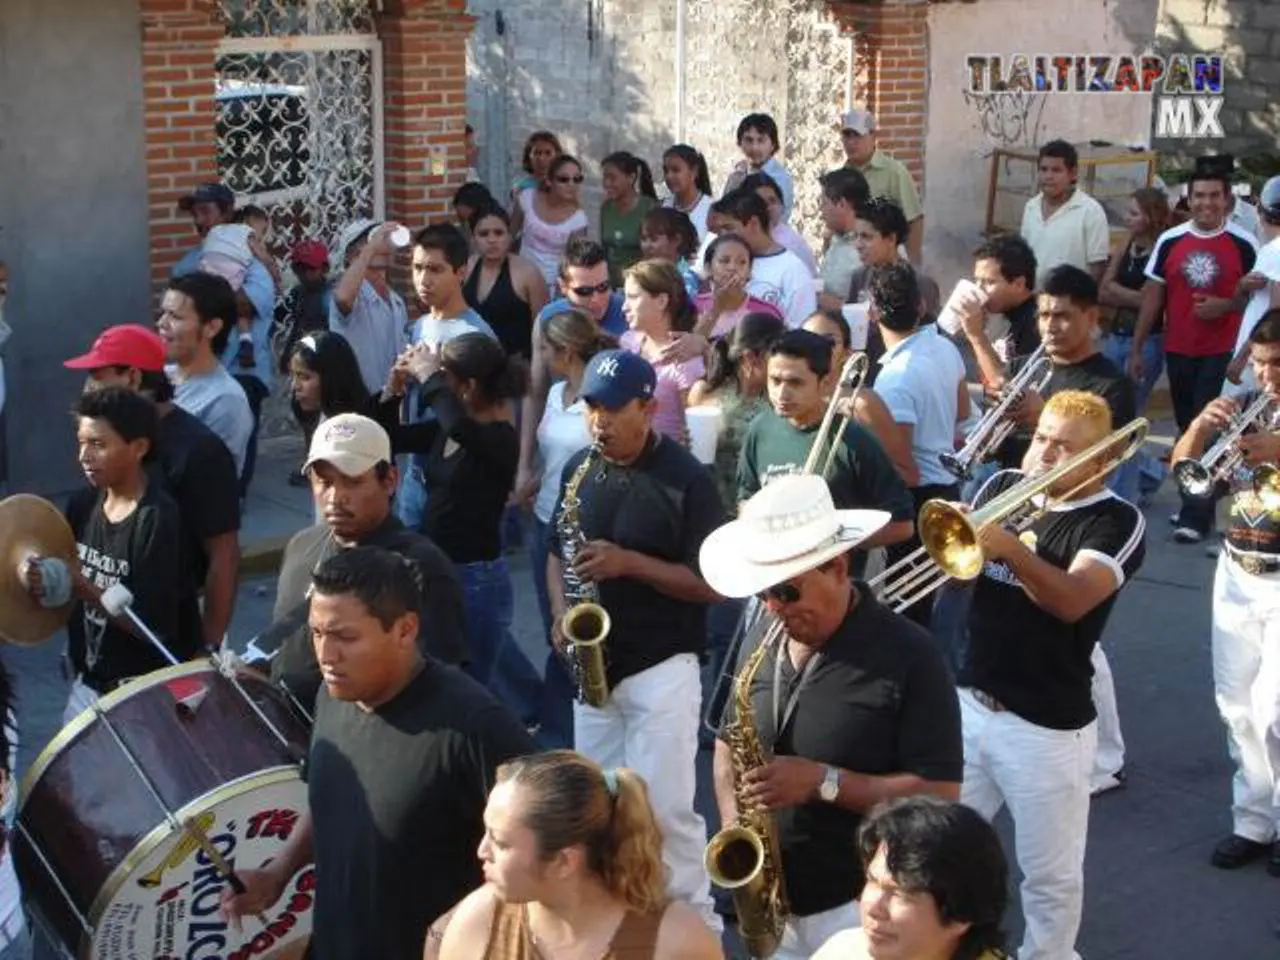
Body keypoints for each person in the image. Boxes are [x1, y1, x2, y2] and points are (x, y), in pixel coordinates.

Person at [221, 546, 536, 960]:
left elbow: (545, 856)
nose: (326, 655)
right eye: (317, 633)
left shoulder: (477, 729)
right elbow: (333, 800)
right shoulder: (332, 695)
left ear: (405, 630)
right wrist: (278, 874)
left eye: (345, 637)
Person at [701, 472, 963, 958]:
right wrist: (737, 832)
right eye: (763, 593)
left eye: (787, 591)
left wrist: (824, 783)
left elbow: (941, 793)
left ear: (838, 568)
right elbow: (726, 740)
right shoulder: (763, 633)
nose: (773, 607)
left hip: (857, 904)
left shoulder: (911, 655)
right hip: (773, 899)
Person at [954, 390, 1145, 960]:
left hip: (1045, 728)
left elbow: (1073, 600)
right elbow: (959, 581)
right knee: (940, 847)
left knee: (1048, 878)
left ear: (1100, 460)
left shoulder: (1116, 520)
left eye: (1063, 447)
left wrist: (1011, 550)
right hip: (970, 704)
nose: (1043, 454)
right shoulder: (1002, 486)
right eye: (1041, 438)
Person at [545, 349, 726, 930]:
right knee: (595, 810)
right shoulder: (578, 470)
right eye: (592, 408)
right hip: (594, 670)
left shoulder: (687, 479)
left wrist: (630, 564)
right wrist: (560, 612)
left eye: (612, 409)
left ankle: (697, 928)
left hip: (661, 666)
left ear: (647, 409)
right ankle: (614, 924)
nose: (598, 421)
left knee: (664, 811)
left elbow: (711, 585)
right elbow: (556, 553)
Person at [262, 414, 468, 716]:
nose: (335, 497)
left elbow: (439, 686)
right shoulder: (301, 545)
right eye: (324, 482)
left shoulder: (420, 568)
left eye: (353, 481)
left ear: (390, 480)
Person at [1170, 310, 1280, 873]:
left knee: (1276, 708)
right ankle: (1253, 821)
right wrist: (1200, 428)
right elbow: (1189, 478)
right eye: (1260, 364)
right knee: (1235, 704)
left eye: (1277, 364)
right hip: (1238, 570)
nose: (1266, 376)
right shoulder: (1248, 409)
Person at [387, 333, 543, 725]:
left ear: (468, 387)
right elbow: (391, 437)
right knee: (457, 682)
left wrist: (428, 376)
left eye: (446, 379)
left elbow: (459, 427)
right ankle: (532, 717)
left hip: (475, 582)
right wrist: (393, 392)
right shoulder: (448, 430)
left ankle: (525, 729)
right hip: (438, 574)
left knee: (469, 693)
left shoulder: (498, 438)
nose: (439, 387)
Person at [434, 751, 724, 960]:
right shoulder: (479, 922)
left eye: (500, 843)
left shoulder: (676, 941)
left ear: (563, 862)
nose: (482, 850)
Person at [22, 388, 199, 721]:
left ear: (139, 448)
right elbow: (66, 588)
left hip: (143, 695)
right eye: (81, 443)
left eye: (98, 444)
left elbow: (153, 626)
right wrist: (43, 577)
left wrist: (86, 588)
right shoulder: (82, 504)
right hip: (87, 687)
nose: (84, 456)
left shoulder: (157, 519)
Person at [65, 324, 240, 649]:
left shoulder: (200, 452)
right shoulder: (100, 442)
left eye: (97, 377)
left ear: (132, 377)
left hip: (170, 638)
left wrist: (210, 646)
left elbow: (223, 554)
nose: (88, 388)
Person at [1130, 158, 1258, 544]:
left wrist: (1226, 306)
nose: (1206, 203)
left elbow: (1259, 302)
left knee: (1208, 428)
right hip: (1178, 349)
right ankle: (1195, 499)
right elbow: (1153, 297)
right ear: (1189, 198)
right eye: (1199, 196)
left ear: (1227, 200)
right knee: (1187, 427)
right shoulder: (1170, 241)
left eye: (1214, 196)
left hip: (1223, 353)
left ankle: (1195, 514)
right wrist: (1137, 347)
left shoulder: (1245, 243)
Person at [737, 330, 915, 568]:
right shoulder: (760, 429)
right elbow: (747, 498)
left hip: (834, 581)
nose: (782, 393)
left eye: (795, 383)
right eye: (775, 381)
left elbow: (902, 526)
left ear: (825, 382)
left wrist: (831, 544)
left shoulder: (853, 440)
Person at [521, 310, 615, 748]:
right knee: (554, 627)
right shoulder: (557, 393)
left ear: (568, 351)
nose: (540, 356)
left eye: (545, 348)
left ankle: (576, 727)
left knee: (578, 633)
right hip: (544, 520)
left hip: (582, 529)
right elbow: (555, 455)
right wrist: (535, 480)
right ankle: (563, 726)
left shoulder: (597, 402)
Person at [866, 263, 969, 626]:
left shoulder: (894, 379)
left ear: (872, 312)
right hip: (948, 489)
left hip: (917, 503)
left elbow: (902, 465)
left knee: (906, 612)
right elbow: (962, 412)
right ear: (921, 306)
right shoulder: (945, 348)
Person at [812, 797, 1009, 960]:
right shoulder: (842, 951)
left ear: (960, 916)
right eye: (872, 881)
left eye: (900, 894)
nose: (873, 907)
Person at [172, 183, 276, 492]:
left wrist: (202, 296)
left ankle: (234, 501)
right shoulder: (186, 264)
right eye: (194, 214)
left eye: (205, 211)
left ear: (228, 212)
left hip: (244, 370)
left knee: (238, 449)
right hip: (200, 370)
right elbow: (177, 310)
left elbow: (250, 303)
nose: (198, 220)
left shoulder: (253, 262)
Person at [520, 239, 630, 500]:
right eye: (584, 291)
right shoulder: (548, 319)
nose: (597, 299)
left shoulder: (630, 312)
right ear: (562, 287)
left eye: (603, 287)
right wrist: (524, 465)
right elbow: (535, 392)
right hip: (557, 450)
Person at [1099, 187, 1175, 501]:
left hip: (1144, 342)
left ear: (1151, 216)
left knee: (1127, 420)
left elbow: (1151, 301)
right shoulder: (1127, 244)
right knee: (1108, 415)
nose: (1128, 219)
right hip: (1115, 334)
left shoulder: (1162, 249)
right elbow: (1104, 288)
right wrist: (1133, 298)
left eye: (1134, 213)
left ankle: (1119, 495)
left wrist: (1125, 296)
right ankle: (1151, 472)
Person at [159, 271, 255, 482]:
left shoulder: (225, 400)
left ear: (211, 327)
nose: (162, 323)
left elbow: (210, 482)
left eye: (175, 316)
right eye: (163, 313)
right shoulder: (160, 377)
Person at [620, 260, 704, 444]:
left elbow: (694, 432)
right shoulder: (627, 342)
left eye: (633, 297)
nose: (624, 307)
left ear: (661, 301)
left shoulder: (685, 361)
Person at [330, 218, 411, 396]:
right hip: (356, 403)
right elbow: (343, 299)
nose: (381, 245)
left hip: (390, 402)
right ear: (350, 255)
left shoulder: (396, 301)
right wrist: (372, 247)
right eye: (369, 240)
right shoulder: (351, 293)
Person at [711, 190, 816, 328]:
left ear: (754, 224)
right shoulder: (719, 261)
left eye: (729, 228)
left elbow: (802, 327)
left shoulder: (793, 270)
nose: (722, 236)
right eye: (719, 230)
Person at [1018, 139, 1111, 287]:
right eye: (1043, 169)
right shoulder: (1031, 207)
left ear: (1072, 174)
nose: (1048, 176)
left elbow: (1097, 267)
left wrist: (1082, 298)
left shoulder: (1090, 212)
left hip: (1070, 298)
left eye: (1056, 170)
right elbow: (1024, 256)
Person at [463, 205, 550, 359]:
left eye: (499, 233)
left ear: (509, 236)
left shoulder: (528, 273)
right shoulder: (466, 269)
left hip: (515, 363)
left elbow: (543, 327)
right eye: (484, 234)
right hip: (472, 360)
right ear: (473, 238)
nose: (492, 240)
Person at [838, 110, 924, 264]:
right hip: (849, 261)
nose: (851, 142)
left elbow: (913, 221)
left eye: (857, 135)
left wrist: (915, 264)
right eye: (847, 136)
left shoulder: (895, 173)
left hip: (885, 262)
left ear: (873, 136)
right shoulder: (841, 177)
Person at [512, 154, 591, 288]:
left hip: (552, 286)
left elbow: (573, 262)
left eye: (577, 179)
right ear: (549, 180)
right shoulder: (527, 197)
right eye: (563, 179)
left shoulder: (579, 220)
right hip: (519, 279)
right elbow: (510, 235)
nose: (571, 185)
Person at [691, 234, 784, 344]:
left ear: (750, 270)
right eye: (724, 261)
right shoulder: (693, 307)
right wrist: (716, 310)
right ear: (708, 268)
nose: (733, 268)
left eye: (742, 262)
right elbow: (688, 348)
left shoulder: (767, 312)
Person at [601, 151, 660, 287]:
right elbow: (604, 249)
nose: (606, 183)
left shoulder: (650, 208)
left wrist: (634, 279)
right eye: (604, 178)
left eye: (612, 178)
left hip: (641, 284)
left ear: (631, 178)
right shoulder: (606, 207)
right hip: (610, 286)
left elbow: (654, 253)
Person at [722, 113, 794, 222]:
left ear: (773, 145)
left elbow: (772, 221)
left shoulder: (780, 179)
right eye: (749, 140)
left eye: (761, 140)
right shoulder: (736, 176)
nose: (754, 147)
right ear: (740, 143)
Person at [742, 172, 817, 277]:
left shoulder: (793, 244)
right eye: (760, 202)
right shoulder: (739, 237)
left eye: (772, 201)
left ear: (781, 205)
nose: (767, 208)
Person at [818, 168, 871, 313]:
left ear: (841, 204)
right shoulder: (835, 239)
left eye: (824, 203)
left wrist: (830, 303)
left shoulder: (873, 246)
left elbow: (873, 313)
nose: (821, 212)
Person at [639, 208, 703, 299]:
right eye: (643, 239)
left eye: (654, 239)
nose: (647, 245)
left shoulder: (687, 278)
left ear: (676, 240)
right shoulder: (641, 273)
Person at [662, 144, 715, 240]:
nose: (669, 176)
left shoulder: (711, 209)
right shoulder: (662, 206)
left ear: (694, 171)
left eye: (676, 170)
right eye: (666, 171)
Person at [511, 130, 564, 201]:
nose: (542, 158)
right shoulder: (521, 188)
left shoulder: (564, 185)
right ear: (528, 157)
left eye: (548, 153)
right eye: (537, 153)